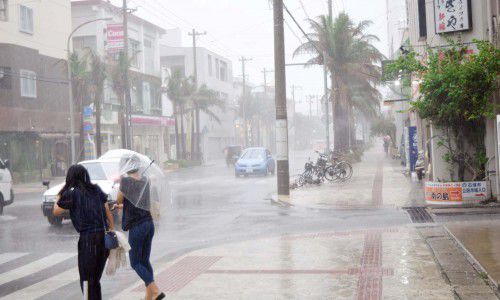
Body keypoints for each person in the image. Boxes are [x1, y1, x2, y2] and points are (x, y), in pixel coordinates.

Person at [53, 165, 114, 300]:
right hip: (103, 238)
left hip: (88, 241)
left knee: (87, 281)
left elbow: (56, 211)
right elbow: (107, 210)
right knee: (95, 280)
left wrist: (61, 192)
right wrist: (111, 232)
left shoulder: (72, 193)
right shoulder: (96, 189)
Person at [115, 155, 165, 300]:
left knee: (135, 262)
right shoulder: (145, 180)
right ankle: (149, 296)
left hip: (137, 227)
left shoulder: (125, 181)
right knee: (144, 261)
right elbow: (139, 201)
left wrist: (121, 186)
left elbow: (119, 199)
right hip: (149, 224)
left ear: (126, 167)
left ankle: (155, 291)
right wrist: (123, 205)